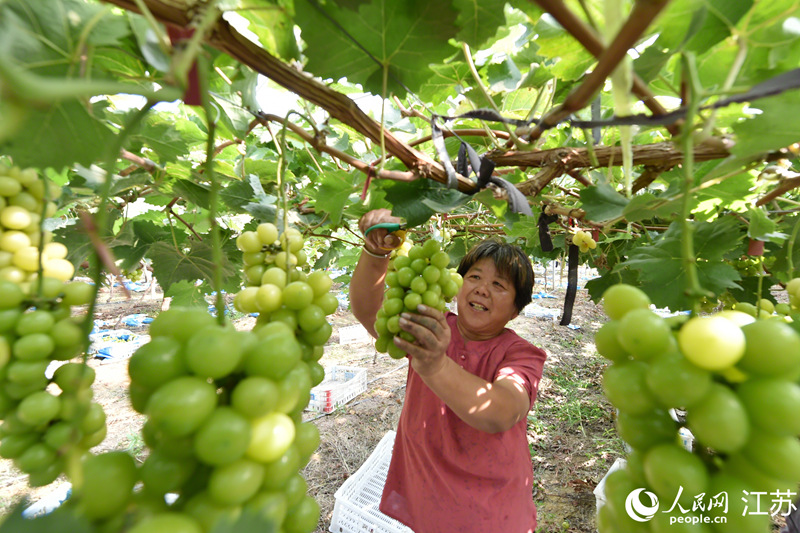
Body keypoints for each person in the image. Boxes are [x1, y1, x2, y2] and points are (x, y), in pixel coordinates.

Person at [350, 208, 548, 533]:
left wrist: (437, 365)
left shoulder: (521, 354)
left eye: (499, 284)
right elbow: (370, 311)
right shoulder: (433, 325)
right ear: (456, 285)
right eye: (474, 277)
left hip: (491, 508)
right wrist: (375, 253)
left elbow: (501, 411)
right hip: (429, 491)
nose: (482, 288)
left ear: (516, 310)